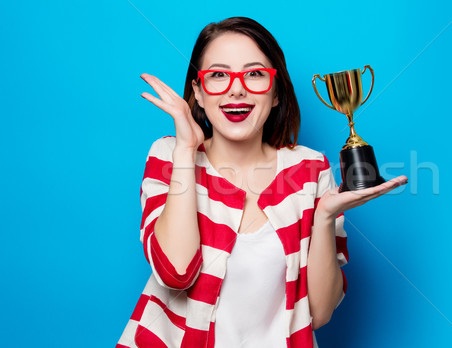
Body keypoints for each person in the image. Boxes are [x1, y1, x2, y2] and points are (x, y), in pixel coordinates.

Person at [117, 17, 407, 348]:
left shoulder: (310, 169)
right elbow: (176, 273)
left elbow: (320, 313)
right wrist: (186, 148)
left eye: (255, 74)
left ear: (276, 94)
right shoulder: (169, 155)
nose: (236, 88)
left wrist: (324, 216)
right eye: (218, 75)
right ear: (197, 91)